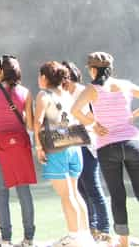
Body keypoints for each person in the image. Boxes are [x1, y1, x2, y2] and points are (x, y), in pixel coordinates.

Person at [72, 52, 139, 247]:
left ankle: (124, 243)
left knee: (117, 195)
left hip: (107, 146)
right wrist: (133, 115)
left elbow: (75, 110)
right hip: (132, 142)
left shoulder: (92, 89)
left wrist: (93, 125)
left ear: (93, 69)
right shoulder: (125, 85)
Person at [0, 54, 36, 247]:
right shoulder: (26, 92)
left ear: (0, 71)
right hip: (20, 146)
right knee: (23, 190)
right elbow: (29, 125)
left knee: (2, 193)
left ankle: (6, 240)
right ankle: (28, 238)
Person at [34, 61, 92, 247]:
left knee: (66, 196)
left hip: (57, 149)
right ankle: (85, 235)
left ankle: (74, 238)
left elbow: (37, 123)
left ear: (44, 77)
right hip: (75, 147)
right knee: (75, 193)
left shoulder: (44, 95)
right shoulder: (67, 94)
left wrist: (38, 147)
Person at [63, 60, 112, 243]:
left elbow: (92, 115)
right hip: (72, 143)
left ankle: (105, 229)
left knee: (93, 187)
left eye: (64, 74)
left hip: (87, 143)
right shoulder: (64, 93)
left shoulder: (82, 91)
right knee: (81, 189)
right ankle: (91, 228)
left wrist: (87, 124)